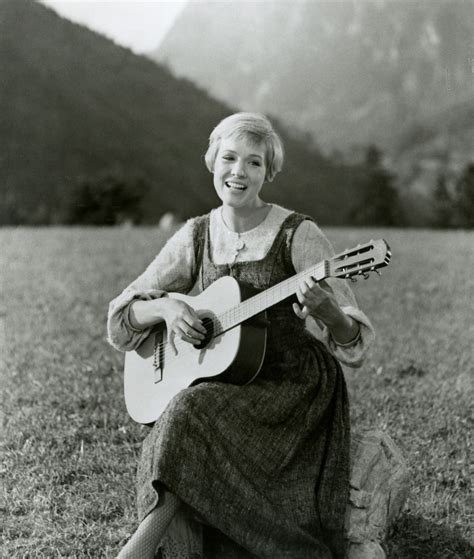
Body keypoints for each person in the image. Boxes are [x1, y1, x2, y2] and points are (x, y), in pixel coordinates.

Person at [107, 112, 375, 559]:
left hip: (292, 387)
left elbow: (353, 343)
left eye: (254, 163)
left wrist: (328, 312)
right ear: (212, 162)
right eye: (229, 158)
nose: (238, 172)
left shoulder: (298, 233)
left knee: (188, 409)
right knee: (187, 407)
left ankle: (136, 551)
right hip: (230, 381)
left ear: (268, 172)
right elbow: (121, 320)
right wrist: (167, 306)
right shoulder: (196, 234)